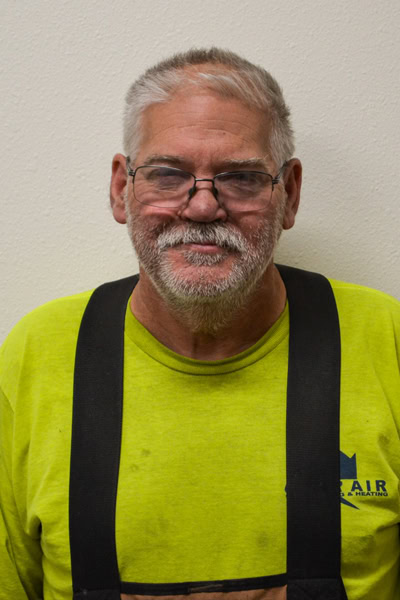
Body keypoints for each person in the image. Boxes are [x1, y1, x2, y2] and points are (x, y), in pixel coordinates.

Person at [0, 48, 399, 600]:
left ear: (289, 194)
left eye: (241, 177)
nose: (204, 207)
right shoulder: (37, 354)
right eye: (167, 174)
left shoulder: (386, 341)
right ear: (121, 189)